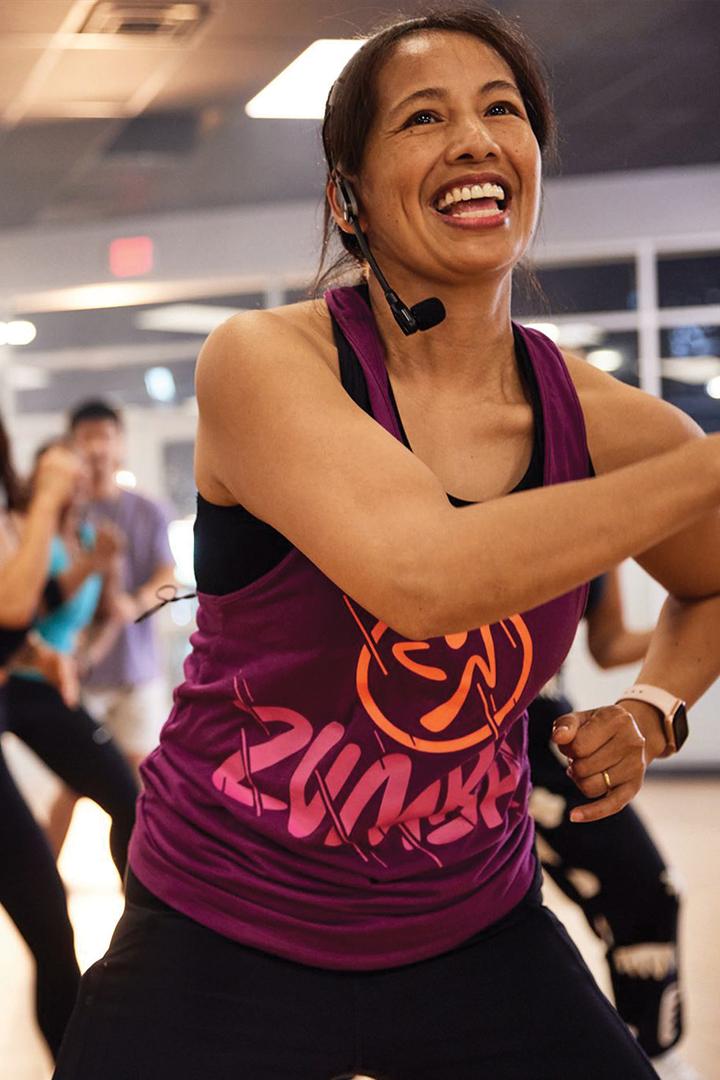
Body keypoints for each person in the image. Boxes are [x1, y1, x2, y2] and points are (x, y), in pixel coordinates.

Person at [53, 8, 720, 1080]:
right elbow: (425, 576)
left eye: (501, 110)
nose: (474, 139)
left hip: (473, 925)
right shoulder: (264, 363)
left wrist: (655, 707)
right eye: (424, 118)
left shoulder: (602, 423)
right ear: (346, 198)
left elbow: (710, 580)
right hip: (221, 922)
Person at [529, 570, 700, 1079]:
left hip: (549, 734)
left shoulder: (602, 523)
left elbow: (608, 643)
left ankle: (654, 1052)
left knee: (648, 886)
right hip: (437, 729)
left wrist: (699, 628)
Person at [5, 441, 139, 878]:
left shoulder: (89, 537)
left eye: (80, 474)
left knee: (128, 799)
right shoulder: (24, 528)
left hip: (56, 683)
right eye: (67, 474)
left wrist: (86, 657)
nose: (79, 481)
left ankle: (135, 908)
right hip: (20, 678)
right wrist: (91, 564)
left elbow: (105, 615)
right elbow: (23, 612)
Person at [47, 399, 175, 851]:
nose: (98, 448)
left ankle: (138, 874)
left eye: (106, 436)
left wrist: (133, 603)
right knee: (74, 783)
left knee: (139, 782)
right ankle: (44, 873)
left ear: (121, 443)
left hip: (136, 670)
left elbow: (167, 577)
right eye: (88, 437)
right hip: (81, 672)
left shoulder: (148, 511)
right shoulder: (64, 514)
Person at [0, 423, 85, 1058]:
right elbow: (10, 604)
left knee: (51, 921)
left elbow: (10, 619)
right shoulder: (32, 515)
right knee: (50, 922)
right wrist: (48, 500)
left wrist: (35, 653)